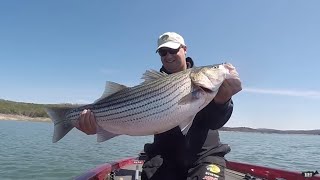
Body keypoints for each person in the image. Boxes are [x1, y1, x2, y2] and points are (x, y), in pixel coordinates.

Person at [75, 32, 242, 180]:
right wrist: (98, 126)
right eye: (163, 52)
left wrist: (223, 101)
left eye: (173, 50)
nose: (168, 55)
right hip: (162, 158)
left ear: (185, 49)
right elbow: (130, 119)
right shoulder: (152, 85)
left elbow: (215, 122)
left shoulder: (207, 84)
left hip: (204, 156)